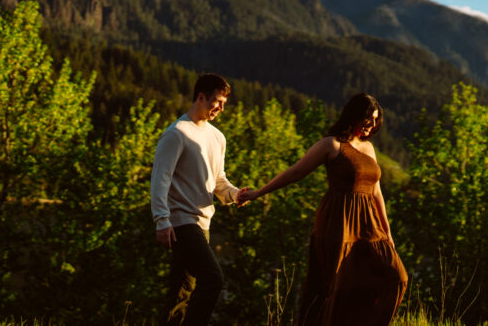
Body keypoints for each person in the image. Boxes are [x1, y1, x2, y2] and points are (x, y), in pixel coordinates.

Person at [238, 93, 408, 326]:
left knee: (396, 276)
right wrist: (258, 193)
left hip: (369, 226)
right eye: (368, 119)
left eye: (375, 121)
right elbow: (296, 172)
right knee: (335, 286)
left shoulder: (369, 148)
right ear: (354, 115)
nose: (371, 126)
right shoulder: (332, 145)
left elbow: (376, 191)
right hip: (338, 222)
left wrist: (387, 233)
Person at [150, 73, 249, 326]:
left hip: (202, 223)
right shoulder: (176, 133)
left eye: (224, 103)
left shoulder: (217, 137)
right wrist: (162, 220)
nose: (221, 108)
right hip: (181, 222)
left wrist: (236, 194)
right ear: (200, 97)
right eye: (217, 101)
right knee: (213, 279)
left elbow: (218, 181)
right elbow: (160, 179)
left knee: (181, 292)